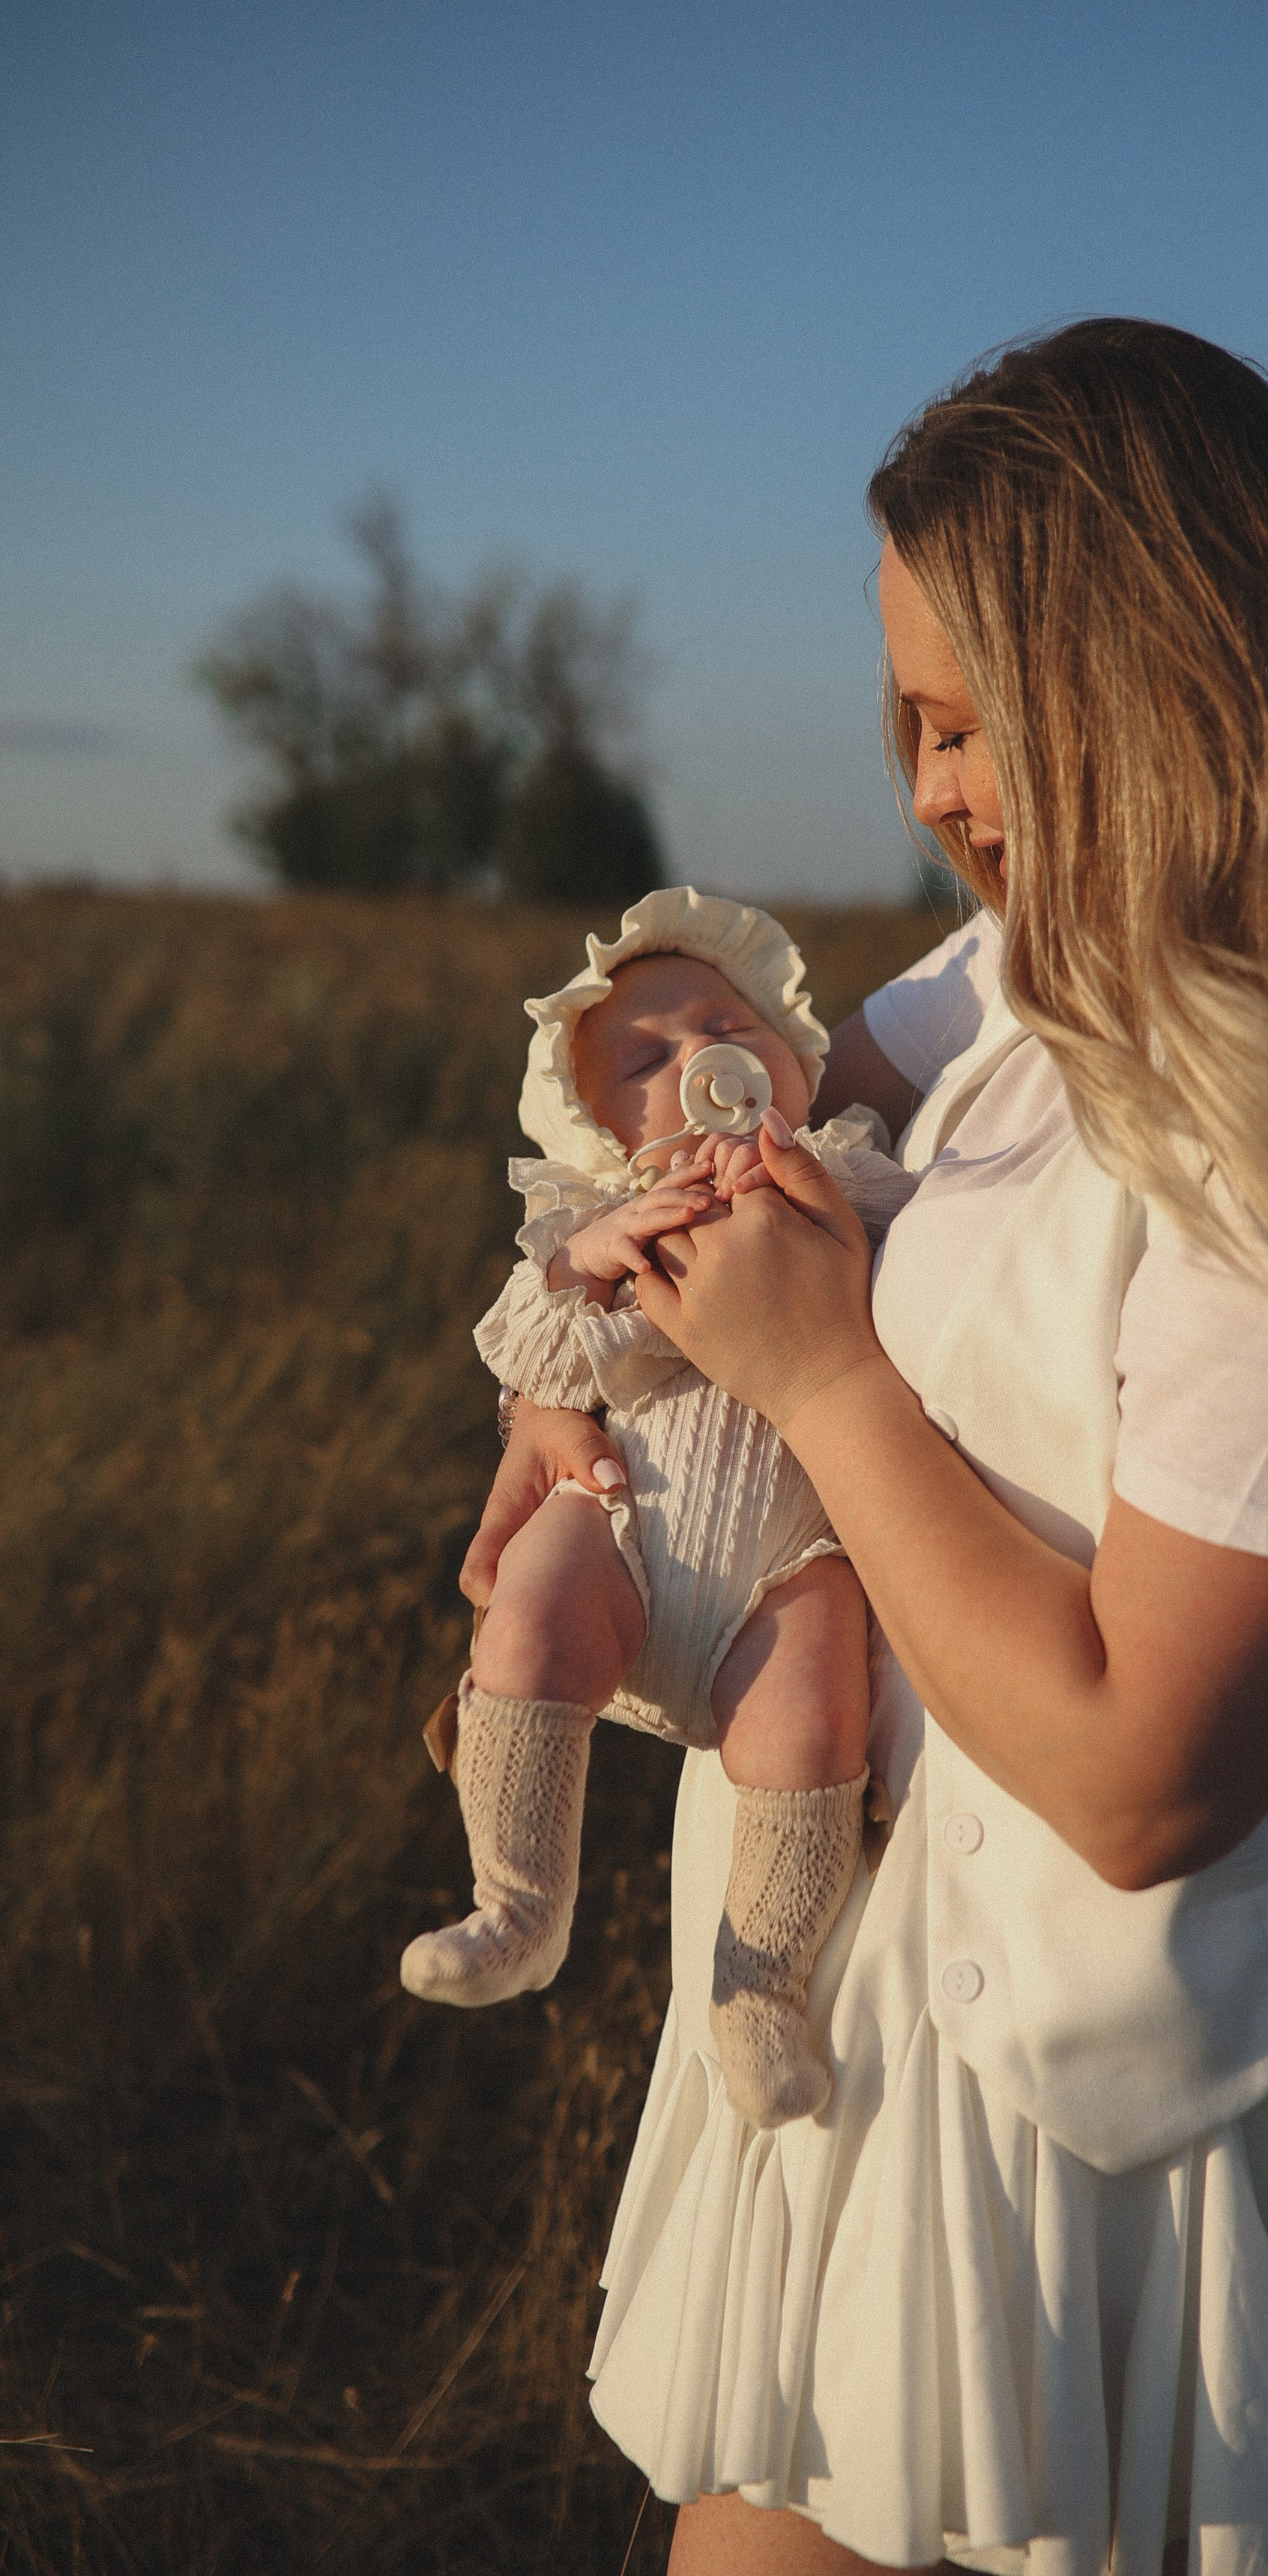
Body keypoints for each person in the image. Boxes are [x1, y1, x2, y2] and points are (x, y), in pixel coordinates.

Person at [461, 321, 1268, 2576]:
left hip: (1060, 2085)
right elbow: (769, 1116)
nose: (928, 789)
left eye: (972, 720)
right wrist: (573, 1349)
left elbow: (1148, 1775)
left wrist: (823, 1377)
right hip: (915, 1979)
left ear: (1172, 685)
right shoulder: (1060, 961)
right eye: (907, 717)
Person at [403, 889, 914, 2129]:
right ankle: (518, 1906)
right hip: (626, 1520)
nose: (700, 1058)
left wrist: (820, 1203)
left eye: (729, 1028)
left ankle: (762, 1991)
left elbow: (924, 1279)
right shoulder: (589, 1219)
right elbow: (526, 1350)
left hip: (789, 1556)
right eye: (647, 1061)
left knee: (813, 1725)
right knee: (528, 1621)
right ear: (596, 1123)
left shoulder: (850, 1171)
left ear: (794, 1059)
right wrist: (591, 1260)